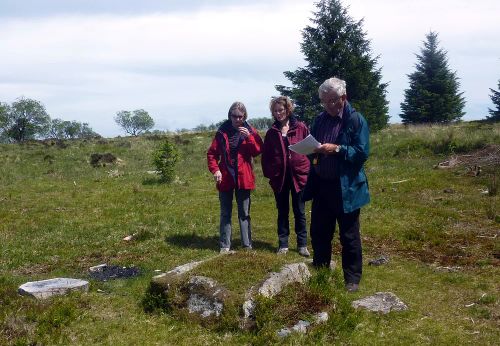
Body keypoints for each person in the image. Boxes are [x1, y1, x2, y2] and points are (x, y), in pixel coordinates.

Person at [304, 77, 370, 292]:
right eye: (324, 101)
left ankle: (351, 279)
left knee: (349, 235)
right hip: (322, 185)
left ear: (344, 97)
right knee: (319, 232)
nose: (329, 105)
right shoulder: (319, 120)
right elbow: (314, 149)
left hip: (347, 188)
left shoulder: (356, 120)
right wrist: (313, 154)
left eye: (332, 100)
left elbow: (361, 154)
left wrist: (338, 149)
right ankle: (321, 272)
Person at [207, 101, 263, 253]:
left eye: (240, 116)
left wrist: (250, 137)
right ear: (230, 116)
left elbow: (257, 151)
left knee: (244, 213)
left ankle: (247, 244)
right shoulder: (221, 132)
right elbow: (212, 154)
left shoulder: (250, 130)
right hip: (225, 177)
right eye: (234, 116)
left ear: (245, 116)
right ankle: (225, 245)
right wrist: (215, 170)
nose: (238, 119)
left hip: (243, 177)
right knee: (225, 213)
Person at [261, 96, 311, 256]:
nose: (278, 113)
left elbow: (311, 149)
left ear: (287, 110)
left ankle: (302, 245)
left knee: (300, 211)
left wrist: (309, 169)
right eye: (275, 111)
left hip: (299, 176)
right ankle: (283, 244)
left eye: (281, 110)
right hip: (279, 178)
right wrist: (271, 174)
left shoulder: (301, 127)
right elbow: (266, 156)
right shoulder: (271, 132)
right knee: (282, 211)